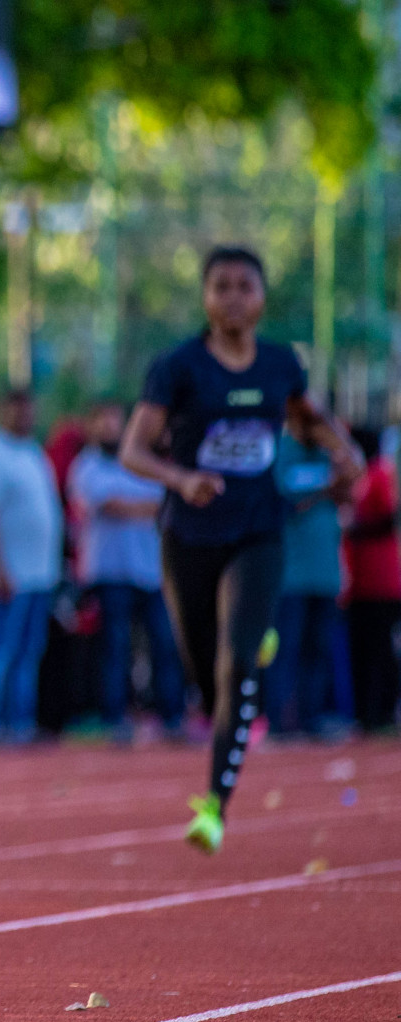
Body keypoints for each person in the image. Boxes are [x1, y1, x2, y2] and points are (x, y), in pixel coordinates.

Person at [120, 245, 360, 855]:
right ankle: (245, 652)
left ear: (261, 298)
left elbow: (306, 419)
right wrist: (182, 479)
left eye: (244, 286)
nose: (232, 296)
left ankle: (214, 808)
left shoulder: (281, 364)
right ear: (205, 297)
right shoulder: (178, 367)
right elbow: (133, 451)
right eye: (221, 285)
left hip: (259, 531)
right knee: (205, 674)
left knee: (235, 664)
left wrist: (342, 451)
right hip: (189, 536)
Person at [67, 400, 184, 744]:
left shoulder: (144, 462)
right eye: (103, 420)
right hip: (110, 573)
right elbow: (114, 504)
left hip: (150, 572)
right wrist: (151, 506)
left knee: (164, 644)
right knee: (114, 649)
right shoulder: (86, 465)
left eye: (116, 420)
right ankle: (113, 717)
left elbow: (167, 504)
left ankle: (172, 717)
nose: (111, 427)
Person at [0, 390, 64, 745]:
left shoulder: (34, 453)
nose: (24, 414)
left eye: (28, 407)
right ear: (1, 408)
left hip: (38, 574)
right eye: (16, 406)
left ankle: (18, 724)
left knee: (27, 653)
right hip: (5, 577)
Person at [264, 415, 348, 740]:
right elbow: (286, 500)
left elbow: (354, 489)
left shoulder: (330, 455)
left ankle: (312, 719)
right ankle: (278, 722)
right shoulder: (281, 451)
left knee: (318, 650)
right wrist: (327, 486)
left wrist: (342, 451)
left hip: (326, 573)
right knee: (285, 651)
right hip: (290, 575)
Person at [342, 425, 401, 735]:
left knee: (381, 650)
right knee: (362, 651)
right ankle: (365, 714)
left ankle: (385, 712)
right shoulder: (356, 477)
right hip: (359, 583)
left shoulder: (380, 472)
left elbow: (390, 517)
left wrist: (355, 526)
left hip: (385, 582)